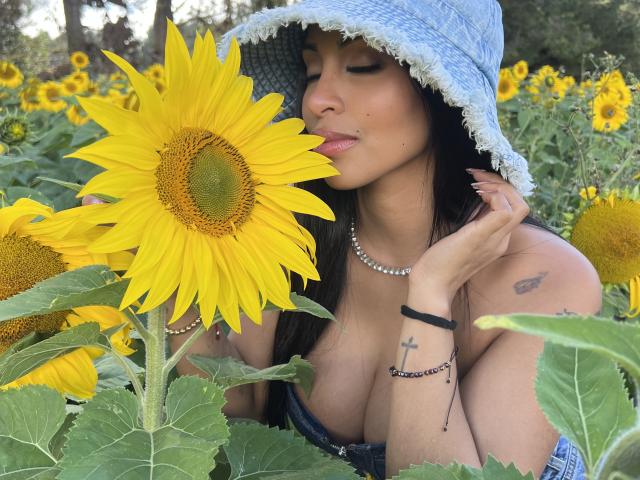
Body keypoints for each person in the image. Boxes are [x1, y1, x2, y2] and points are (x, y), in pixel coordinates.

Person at [166, 1, 602, 479]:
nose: (317, 101)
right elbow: (242, 405)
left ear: (439, 90)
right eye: (312, 71)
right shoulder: (292, 230)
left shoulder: (547, 279)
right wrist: (169, 276)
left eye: (362, 66)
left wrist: (430, 293)